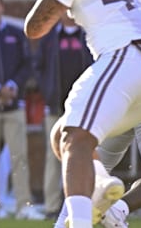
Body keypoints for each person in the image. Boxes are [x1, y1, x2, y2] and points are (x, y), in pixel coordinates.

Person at [24, 0, 141, 228]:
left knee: (73, 138)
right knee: (64, 136)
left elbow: (35, 27)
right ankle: (101, 192)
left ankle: (84, 217)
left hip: (126, 54)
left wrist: (72, 5)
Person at [0, 0, 43, 220]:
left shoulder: (16, 33)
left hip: (14, 106)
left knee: (19, 157)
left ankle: (24, 205)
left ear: (2, 7)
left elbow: (28, 64)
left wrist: (13, 86)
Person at [34, 14, 93, 219]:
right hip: (56, 107)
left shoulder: (89, 35)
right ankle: (51, 206)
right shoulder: (49, 37)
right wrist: (48, 91)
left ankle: (88, 207)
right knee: (53, 157)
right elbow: (38, 67)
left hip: (85, 108)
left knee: (86, 155)